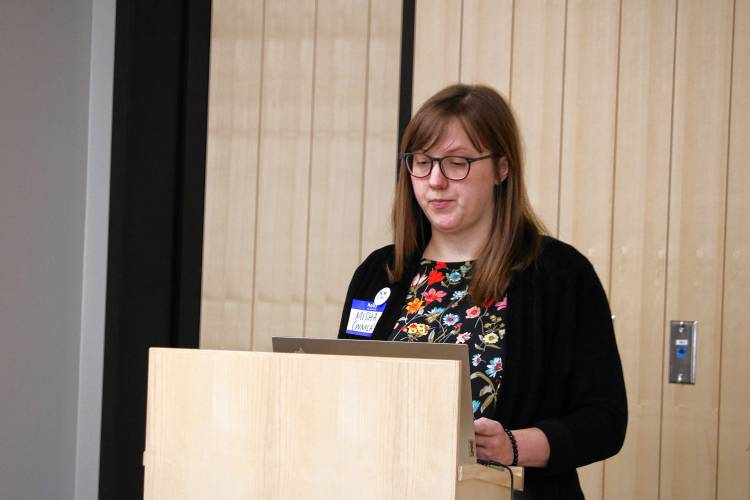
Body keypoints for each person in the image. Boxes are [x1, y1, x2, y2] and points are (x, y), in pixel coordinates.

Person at [337, 83, 627, 499]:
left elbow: (605, 421)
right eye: (421, 162)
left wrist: (513, 445)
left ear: (502, 168)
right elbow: (346, 388)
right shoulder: (380, 272)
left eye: (457, 164)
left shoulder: (560, 275)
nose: (435, 181)